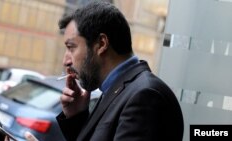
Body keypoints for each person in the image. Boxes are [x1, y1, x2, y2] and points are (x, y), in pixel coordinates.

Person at [57, 1, 184, 141]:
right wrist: (77, 116)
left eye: (71, 47)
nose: (66, 61)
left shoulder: (144, 96)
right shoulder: (118, 89)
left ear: (101, 44)